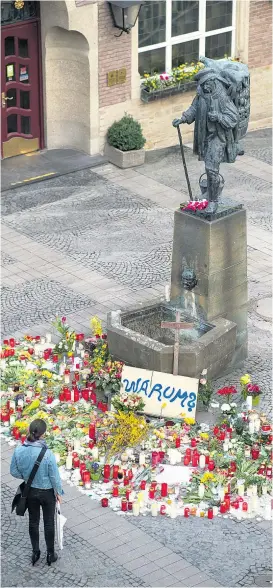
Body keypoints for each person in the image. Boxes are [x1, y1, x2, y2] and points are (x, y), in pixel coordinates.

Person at [172, 68, 239, 214]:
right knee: (209, 169)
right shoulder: (201, 94)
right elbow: (194, 109)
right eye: (203, 84)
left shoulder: (222, 97)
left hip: (218, 137)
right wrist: (183, 119)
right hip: (205, 137)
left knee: (211, 169)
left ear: (213, 81)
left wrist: (219, 118)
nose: (204, 86)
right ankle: (211, 193)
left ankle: (213, 201)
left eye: (207, 83)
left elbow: (233, 118)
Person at [10, 418, 64, 566]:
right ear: (43, 434)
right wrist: (58, 492)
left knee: (33, 522)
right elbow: (54, 476)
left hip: (31, 491)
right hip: (47, 493)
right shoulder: (48, 454)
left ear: (29, 431)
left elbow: (13, 471)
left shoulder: (19, 450)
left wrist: (26, 477)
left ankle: (35, 552)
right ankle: (50, 554)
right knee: (48, 523)